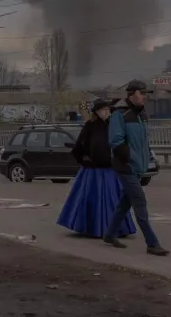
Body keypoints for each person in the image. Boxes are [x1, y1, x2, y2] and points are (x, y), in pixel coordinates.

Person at [103, 80, 169, 256]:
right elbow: (116, 140)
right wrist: (129, 158)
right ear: (131, 94)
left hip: (138, 166)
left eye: (146, 93)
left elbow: (143, 141)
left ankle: (109, 234)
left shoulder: (142, 115)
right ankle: (152, 243)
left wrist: (146, 158)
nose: (145, 96)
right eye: (142, 93)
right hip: (126, 166)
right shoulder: (120, 114)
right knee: (140, 201)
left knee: (125, 203)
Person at [57, 98, 136, 238]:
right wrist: (84, 160)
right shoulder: (90, 126)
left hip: (111, 170)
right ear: (97, 112)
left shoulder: (113, 125)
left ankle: (115, 228)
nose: (106, 112)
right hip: (93, 172)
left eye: (108, 110)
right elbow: (78, 147)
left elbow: (121, 143)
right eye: (103, 110)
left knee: (114, 201)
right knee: (91, 200)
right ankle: (93, 227)